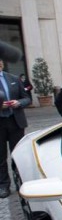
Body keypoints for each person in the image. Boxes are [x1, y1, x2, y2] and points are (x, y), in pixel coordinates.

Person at [0, 58, 31, 198]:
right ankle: (3, 185)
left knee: (18, 154)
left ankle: (21, 182)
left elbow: (27, 98)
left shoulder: (13, 79)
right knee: (1, 157)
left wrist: (19, 102)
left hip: (15, 121)